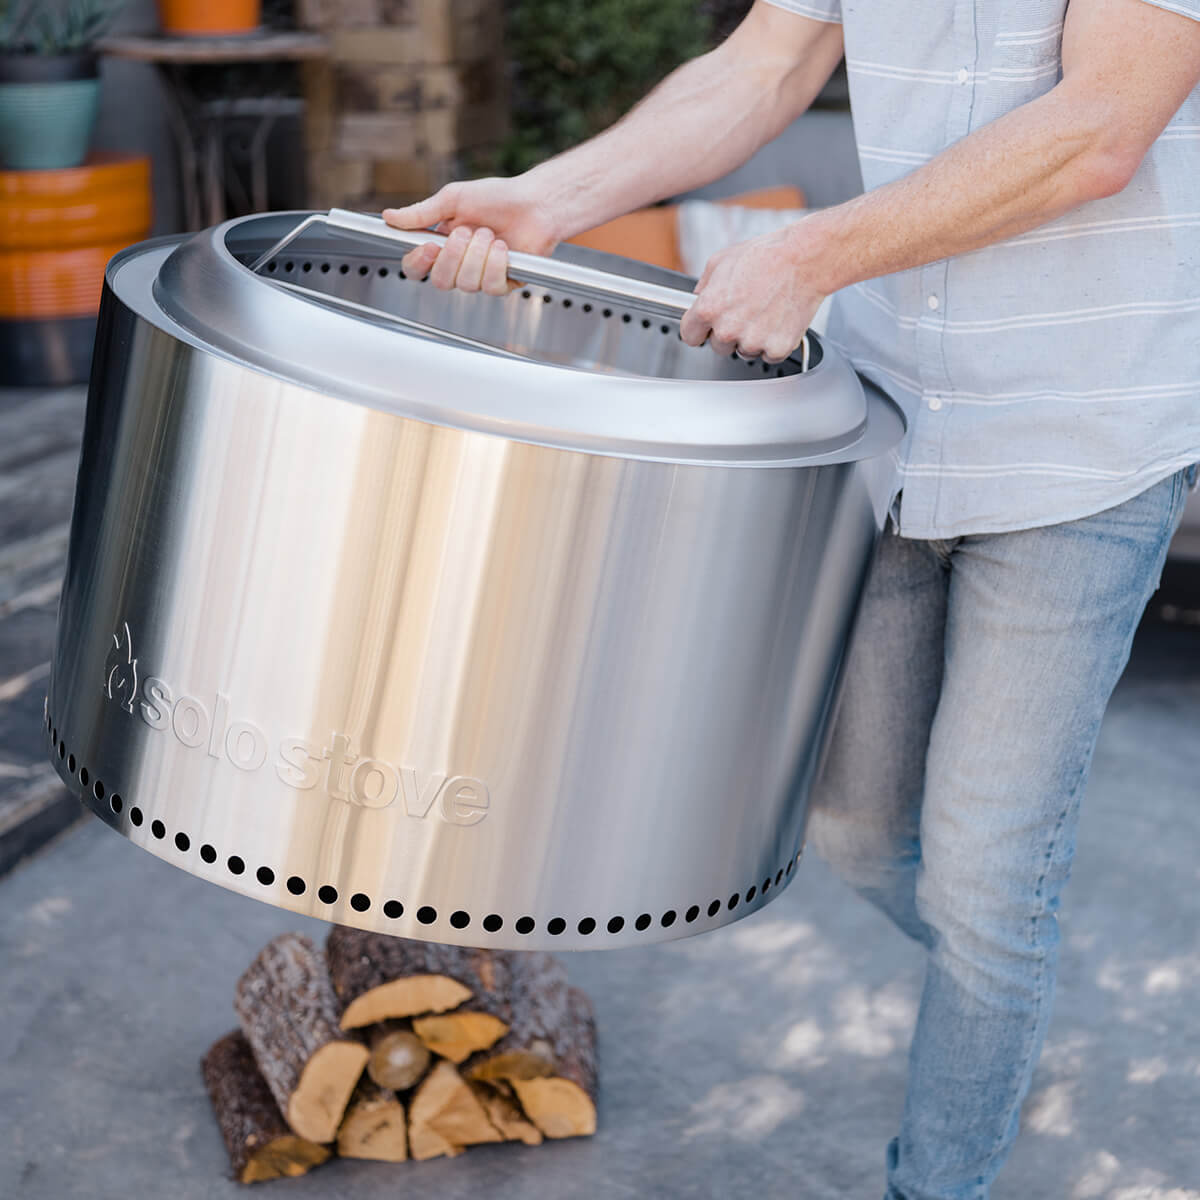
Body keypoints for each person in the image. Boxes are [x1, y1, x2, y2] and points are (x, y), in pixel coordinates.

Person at [381, 1, 1200, 1196]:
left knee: (984, 879)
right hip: (887, 419)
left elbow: (1101, 130)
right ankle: (997, 994)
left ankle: (951, 1129)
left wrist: (810, 256)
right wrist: (553, 195)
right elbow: (762, 67)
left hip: (1084, 445)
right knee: (857, 834)